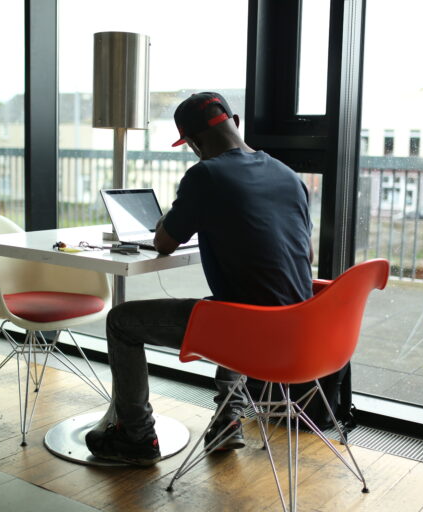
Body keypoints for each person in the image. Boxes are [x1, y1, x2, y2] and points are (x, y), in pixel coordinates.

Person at [85, 92, 313, 466]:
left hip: (248, 331)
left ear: (191, 144)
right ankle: (227, 421)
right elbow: (302, 257)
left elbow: (163, 242)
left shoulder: (205, 175)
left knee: (121, 321)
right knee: (238, 299)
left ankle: (136, 437)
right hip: (301, 333)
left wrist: (168, 219)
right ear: (235, 122)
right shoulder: (288, 176)